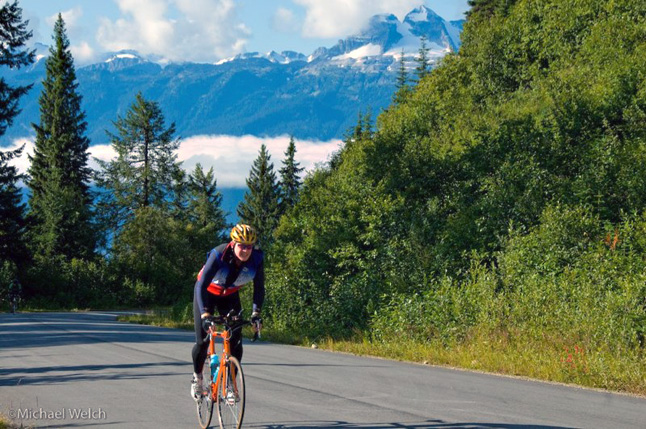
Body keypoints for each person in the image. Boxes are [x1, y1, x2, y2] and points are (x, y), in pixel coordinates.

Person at [190, 224, 265, 400]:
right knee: (202, 342)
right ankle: (197, 378)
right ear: (233, 243)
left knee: (236, 341)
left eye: (249, 246)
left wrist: (256, 313)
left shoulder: (257, 258)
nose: (246, 250)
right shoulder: (219, 254)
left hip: (229, 295)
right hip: (207, 293)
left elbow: (259, 288)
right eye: (242, 245)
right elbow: (200, 285)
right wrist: (205, 315)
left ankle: (231, 384)